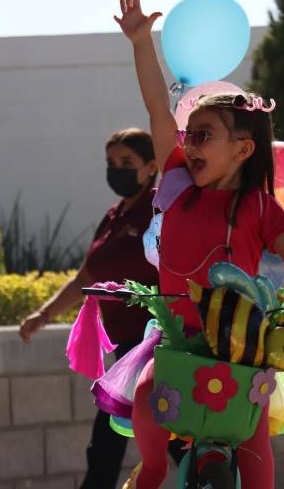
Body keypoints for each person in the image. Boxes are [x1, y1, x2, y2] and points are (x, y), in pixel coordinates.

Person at [113, 0, 284, 489]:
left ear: (242, 149)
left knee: (253, 440)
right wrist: (141, 43)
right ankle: (153, 470)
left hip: (238, 347)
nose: (189, 144)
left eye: (204, 135)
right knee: (147, 397)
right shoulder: (177, 183)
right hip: (179, 341)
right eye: (188, 135)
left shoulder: (258, 206)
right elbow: (157, 107)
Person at [19, 128, 183, 489]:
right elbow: (86, 276)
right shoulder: (114, 215)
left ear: (151, 166)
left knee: (165, 437)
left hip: (157, 348)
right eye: (111, 162)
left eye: (127, 162)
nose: (116, 169)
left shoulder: (159, 209)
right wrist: (43, 315)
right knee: (118, 442)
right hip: (125, 351)